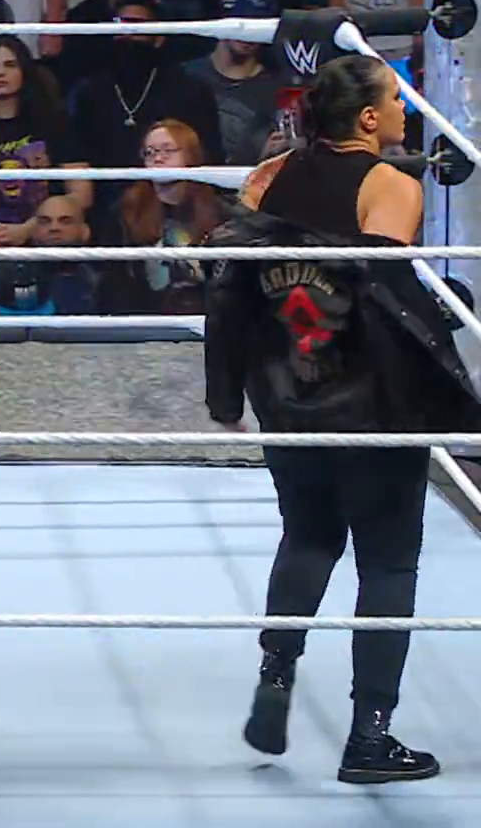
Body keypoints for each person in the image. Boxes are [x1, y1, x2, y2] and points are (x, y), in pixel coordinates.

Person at [206, 55, 481, 785]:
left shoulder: (267, 179)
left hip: (288, 393)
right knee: (387, 562)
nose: (403, 110)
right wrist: (447, 400)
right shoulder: (391, 186)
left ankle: (276, 673)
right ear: (366, 117)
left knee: (308, 536)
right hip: (370, 403)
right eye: (395, 99)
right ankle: (370, 737)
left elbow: (231, 291)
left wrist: (227, 394)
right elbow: (387, 309)